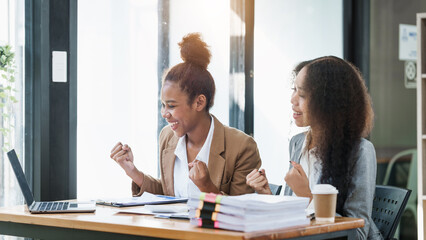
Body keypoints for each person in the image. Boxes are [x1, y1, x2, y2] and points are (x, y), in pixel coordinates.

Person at [246, 56, 382, 239]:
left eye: (302, 94)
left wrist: (308, 197)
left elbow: (358, 233)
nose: (292, 100)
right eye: (294, 90)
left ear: (327, 102)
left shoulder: (361, 151)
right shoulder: (297, 143)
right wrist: (267, 194)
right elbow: (291, 216)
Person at [110, 33, 261, 198]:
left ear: (199, 103)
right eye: (162, 105)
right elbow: (168, 193)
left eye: (172, 105)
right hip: (174, 225)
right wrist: (132, 171)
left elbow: (244, 213)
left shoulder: (242, 147)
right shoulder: (167, 137)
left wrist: (207, 187)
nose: (164, 114)